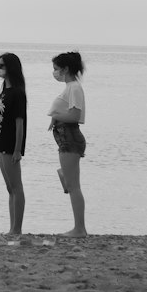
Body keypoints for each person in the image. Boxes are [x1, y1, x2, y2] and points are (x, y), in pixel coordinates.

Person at [0, 52, 26, 236]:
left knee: (16, 187)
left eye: (1, 65)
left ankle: (17, 229)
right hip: (0, 141)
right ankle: (12, 228)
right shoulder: (5, 90)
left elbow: (19, 122)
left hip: (10, 144)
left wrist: (17, 149)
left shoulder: (17, 92)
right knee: (10, 188)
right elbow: (5, 116)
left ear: (10, 68)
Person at [48, 51, 87, 237]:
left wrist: (56, 116)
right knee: (70, 183)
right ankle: (79, 228)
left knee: (74, 186)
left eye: (56, 69)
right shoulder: (70, 87)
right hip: (65, 137)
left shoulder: (74, 88)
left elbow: (74, 116)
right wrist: (56, 119)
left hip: (69, 137)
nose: (54, 72)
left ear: (66, 69)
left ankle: (79, 229)